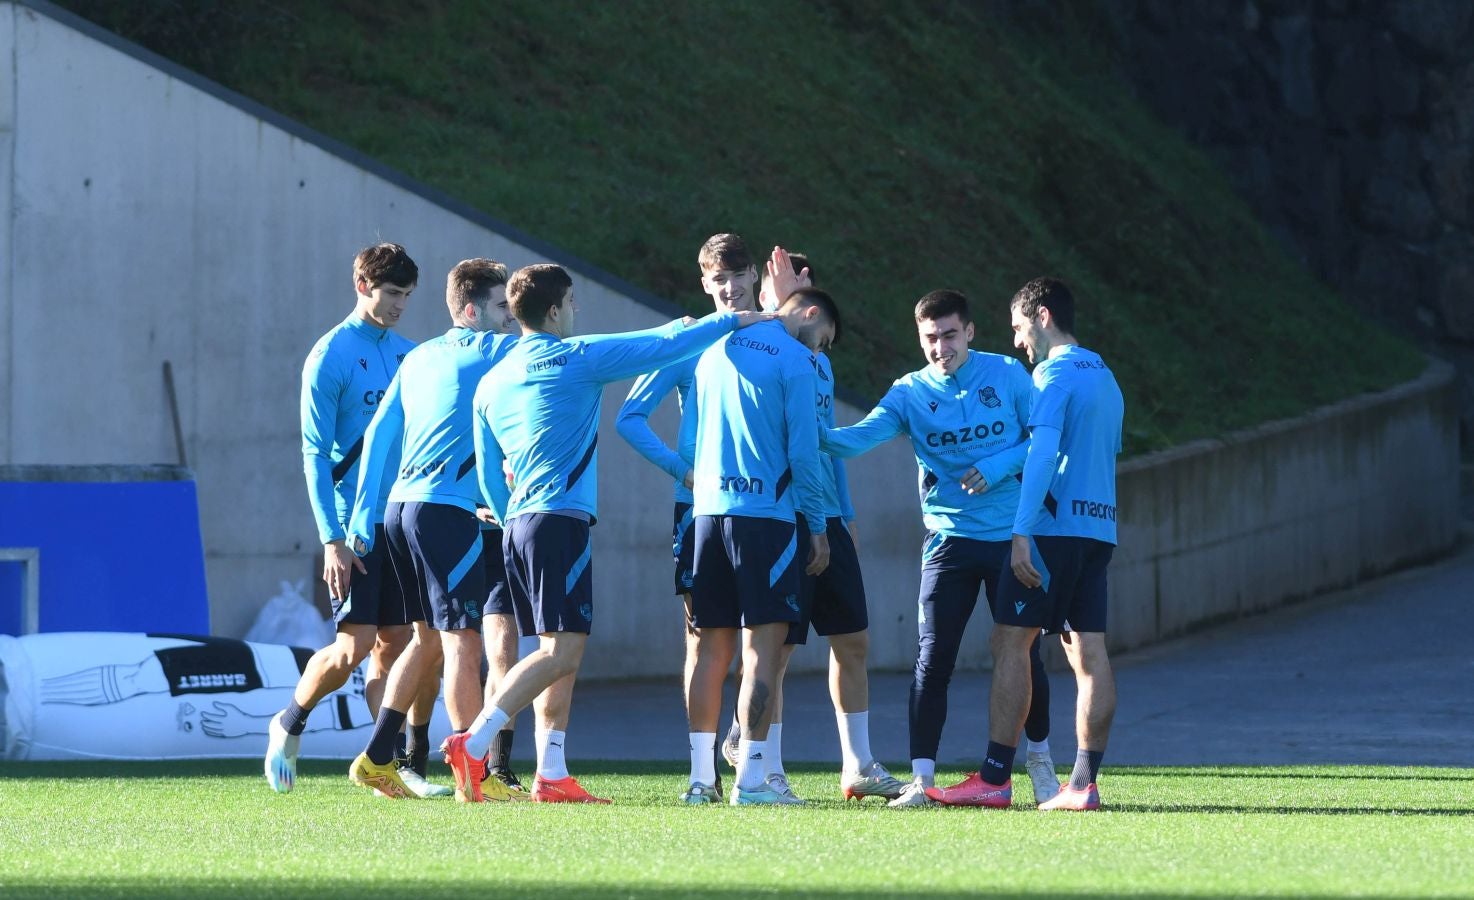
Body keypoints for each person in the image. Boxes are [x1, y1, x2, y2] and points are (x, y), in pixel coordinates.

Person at [442, 263, 766, 803]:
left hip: (518, 524)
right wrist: (733, 318)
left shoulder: (492, 379)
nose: (576, 313)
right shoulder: (577, 357)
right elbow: (661, 345)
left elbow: (484, 468)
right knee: (561, 652)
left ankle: (551, 772)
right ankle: (472, 743)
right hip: (557, 522)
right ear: (554, 310)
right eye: (571, 303)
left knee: (556, 648)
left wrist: (506, 513)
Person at [820, 288, 1060, 807]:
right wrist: (807, 432)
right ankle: (923, 781)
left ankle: (1040, 762)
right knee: (932, 659)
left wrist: (997, 467)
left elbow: (1045, 439)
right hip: (948, 540)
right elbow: (859, 438)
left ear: (970, 332)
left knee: (1024, 654)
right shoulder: (909, 392)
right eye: (930, 337)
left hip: (1009, 537)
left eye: (949, 335)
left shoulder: (1007, 376)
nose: (940, 347)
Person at [925, 277, 1123, 811]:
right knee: (1090, 651)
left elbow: (1041, 454)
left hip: (1053, 533)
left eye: (1018, 327)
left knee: (1011, 642)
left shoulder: (1052, 375)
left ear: (1041, 314)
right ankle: (1082, 784)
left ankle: (994, 777)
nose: (1017, 341)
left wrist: (1020, 531)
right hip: (1099, 529)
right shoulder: (1105, 376)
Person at [718, 251, 903, 804]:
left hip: (825, 515)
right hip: (785, 515)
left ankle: (859, 764)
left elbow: (826, 442)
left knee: (853, 639)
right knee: (776, 649)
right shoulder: (761, 347)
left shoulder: (817, 359)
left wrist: (842, 515)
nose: (821, 344)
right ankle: (764, 765)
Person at [264, 242, 437, 794]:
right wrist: (331, 539)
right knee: (352, 649)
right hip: (354, 526)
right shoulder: (330, 355)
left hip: (403, 521)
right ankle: (288, 720)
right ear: (362, 285)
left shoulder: (411, 355)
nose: (399, 306)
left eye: (407, 296)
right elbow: (314, 453)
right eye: (391, 294)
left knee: (397, 643)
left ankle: (382, 763)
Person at [614, 234, 760, 800]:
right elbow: (631, 417)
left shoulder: (772, 338)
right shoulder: (688, 339)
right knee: (702, 637)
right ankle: (704, 771)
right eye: (717, 279)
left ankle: (752, 751)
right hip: (697, 512)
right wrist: (682, 470)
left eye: (737, 275)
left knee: (764, 635)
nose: (728, 287)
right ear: (704, 284)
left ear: (753, 276)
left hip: (762, 505)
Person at [686, 270, 838, 806]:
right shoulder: (796, 360)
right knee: (762, 655)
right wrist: (817, 529)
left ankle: (700, 779)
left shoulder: (710, 344)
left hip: (707, 515)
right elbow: (804, 454)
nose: (819, 351)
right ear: (809, 314)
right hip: (766, 521)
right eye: (823, 341)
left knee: (709, 652)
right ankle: (752, 780)